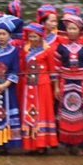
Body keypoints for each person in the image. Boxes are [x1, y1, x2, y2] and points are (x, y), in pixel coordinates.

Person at [54, 13, 83, 155]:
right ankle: (68, 143)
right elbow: (56, 68)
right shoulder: (61, 47)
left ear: (79, 30)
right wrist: (56, 86)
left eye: (74, 29)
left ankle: (81, 144)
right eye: (69, 29)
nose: (71, 31)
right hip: (66, 84)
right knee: (66, 113)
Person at [18, 23, 58, 154]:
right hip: (29, 85)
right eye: (31, 37)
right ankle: (31, 143)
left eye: (35, 36)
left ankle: (43, 143)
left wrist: (55, 87)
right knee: (29, 112)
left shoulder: (48, 50)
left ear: (40, 37)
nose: (33, 39)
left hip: (43, 85)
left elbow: (52, 70)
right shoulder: (25, 49)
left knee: (42, 112)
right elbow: (23, 68)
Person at [0, 15, 23, 153]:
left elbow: (15, 70)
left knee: (6, 113)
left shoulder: (13, 51)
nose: (1, 37)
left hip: (7, 89)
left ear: (9, 36)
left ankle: (7, 143)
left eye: (4, 34)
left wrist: (5, 85)